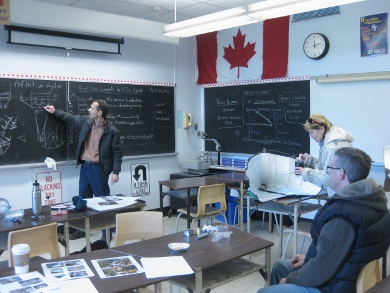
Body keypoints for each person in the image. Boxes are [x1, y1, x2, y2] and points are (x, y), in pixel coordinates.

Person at [258, 147, 390, 293]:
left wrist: (289, 280)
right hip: (345, 273)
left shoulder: (344, 216)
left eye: (330, 167)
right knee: (279, 267)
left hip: (333, 286)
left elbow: (321, 269)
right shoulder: (372, 200)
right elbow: (340, 253)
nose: (328, 171)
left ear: (341, 173)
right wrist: (309, 257)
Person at [44, 100, 122, 240]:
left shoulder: (112, 131)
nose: (88, 110)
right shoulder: (86, 122)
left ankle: (107, 234)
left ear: (99, 113)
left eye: (91, 108)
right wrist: (55, 111)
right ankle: (82, 230)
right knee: (82, 201)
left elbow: (117, 152)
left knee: (103, 202)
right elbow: (70, 118)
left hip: (100, 170)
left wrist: (116, 171)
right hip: (85, 167)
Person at [294, 114, 353, 196]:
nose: (310, 136)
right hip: (344, 192)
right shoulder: (332, 142)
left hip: (341, 194)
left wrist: (305, 173)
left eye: (312, 132)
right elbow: (325, 166)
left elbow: (329, 177)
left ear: (321, 129)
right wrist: (308, 160)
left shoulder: (331, 147)